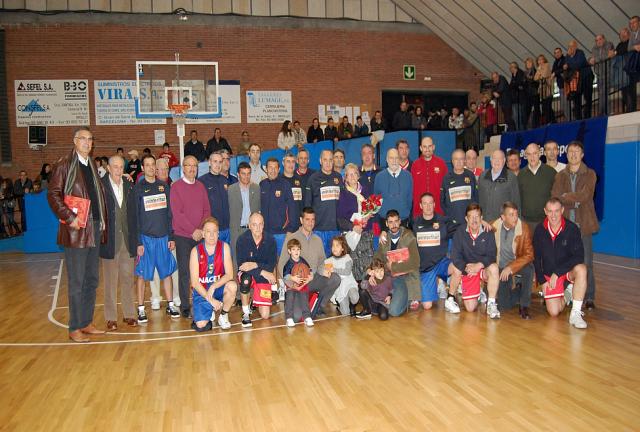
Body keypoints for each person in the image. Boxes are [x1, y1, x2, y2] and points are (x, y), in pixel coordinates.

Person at [47, 127, 108, 342]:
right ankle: (74, 327)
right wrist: (69, 217)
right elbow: (53, 195)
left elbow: (96, 196)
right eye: (83, 139)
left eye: (90, 139)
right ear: (75, 141)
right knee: (77, 281)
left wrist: (101, 221)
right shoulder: (65, 165)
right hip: (76, 231)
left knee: (92, 279)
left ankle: (86, 322)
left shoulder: (91, 165)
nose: (87, 142)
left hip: (94, 228)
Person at [129, 155, 179, 323]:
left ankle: (170, 304)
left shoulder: (164, 186)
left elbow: (169, 214)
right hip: (146, 239)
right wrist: (138, 242)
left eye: (153, 165)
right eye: (148, 165)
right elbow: (135, 218)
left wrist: (171, 236)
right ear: (143, 168)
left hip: (163, 238)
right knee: (142, 276)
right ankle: (141, 309)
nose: (151, 168)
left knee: (167, 273)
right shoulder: (137, 189)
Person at [552, 140, 598, 310]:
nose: (573, 154)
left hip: (584, 226)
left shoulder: (590, 174)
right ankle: (565, 293)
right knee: (564, 260)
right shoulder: (560, 175)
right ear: (566, 154)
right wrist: (574, 200)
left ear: (582, 154)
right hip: (566, 227)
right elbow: (556, 196)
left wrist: (567, 197)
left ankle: (589, 296)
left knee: (586, 263)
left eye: (576, 151)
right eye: (570, 151)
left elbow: (586, 196)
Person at [533, 197, 588, 329]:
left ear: (562, 210)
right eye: (550, 211)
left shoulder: (572, 228)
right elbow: (536, 258)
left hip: (567, 271)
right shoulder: (539, 230)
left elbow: (579, 256)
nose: (553, 215)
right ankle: (569, 293)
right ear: (545, 211)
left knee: (582, 269)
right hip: (549, 274)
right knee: (553, 312)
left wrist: (558, 273)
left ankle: (575, 313)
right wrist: (542, 281)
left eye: (556, 211)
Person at [277, 207, 341, 319]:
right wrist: (291, 283)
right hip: (299, 283)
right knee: (296, 317)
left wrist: (323, 270)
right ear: (301, 220)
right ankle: (293, 299)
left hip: (313, 278)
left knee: (335, 278)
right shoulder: (292, 238)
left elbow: (322, 262)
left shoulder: (317, 240)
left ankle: (319, 305)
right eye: (307, 219)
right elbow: (281, 265)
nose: (310, 223)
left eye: (313, 220)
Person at [169, 155, 211, 318]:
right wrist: (192, 230)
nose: (192, 168)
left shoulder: (201, 187)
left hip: (200, 236)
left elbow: (207, 210)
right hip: (183, 237)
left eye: (195, 166)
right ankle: (185, 306)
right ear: (183, 168)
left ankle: (201, 301)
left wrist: (200, 229)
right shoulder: (176, 187)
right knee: (185, 273)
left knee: (202, 272)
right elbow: (177, 213)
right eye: (189, 165)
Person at [99, 155, 137, 330]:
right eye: (115, 166)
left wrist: (136, 240)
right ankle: (111, 317)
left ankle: (129, 314)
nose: (118, 170)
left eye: (121, 167)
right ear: (108, 168)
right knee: (110, 281)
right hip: (109, 240)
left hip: (127, 240)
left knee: (128, 279)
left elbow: (134, 214)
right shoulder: (101, 186)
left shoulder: (129, 185)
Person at [449, 204, 501, 318]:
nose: (474, 220)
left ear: (481, 218)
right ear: (466, 219)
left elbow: (492, 255)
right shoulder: (460, 232)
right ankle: (478, 290)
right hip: (468, 269)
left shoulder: (488, 232)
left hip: (482, 268)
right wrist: (466, 268)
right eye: (471, 217)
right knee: (470, 308)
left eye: (477, 216)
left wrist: (479, 265)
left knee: (494, 268)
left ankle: (491, 304)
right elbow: (455, 256)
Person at [189, 216, 238, 331]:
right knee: (201, 326)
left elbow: (229, 275)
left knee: (232, 286)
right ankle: (205, 309)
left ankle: (223, 315)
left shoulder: (225, 247)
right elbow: (195, 283)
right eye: (208, 232)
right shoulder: (195, 251)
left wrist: (213, 286)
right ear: (203, 234)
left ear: (218, 233)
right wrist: (210, 299)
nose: (212, 235)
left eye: (214, 231)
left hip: (218, 287)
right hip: (202, 291)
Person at [413, 193, 459, 311]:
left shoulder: (443, 221)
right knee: (427, 306)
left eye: (430, 203)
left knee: (457, 267)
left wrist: (481, 223)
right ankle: (438, 283)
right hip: (426, 268)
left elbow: (462, 228)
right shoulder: (415, 222)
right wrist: (384, 231)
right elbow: (401, 232)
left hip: (441, 263)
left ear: (434, 204)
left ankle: (450, 298)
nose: (428, 206)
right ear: (420, 205)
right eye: (425, 203)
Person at [370, 210, 420, 316]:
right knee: (369, 282)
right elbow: (377, 258)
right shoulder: (384, 238)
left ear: (400, 221)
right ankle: (387, 299)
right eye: (391, 222)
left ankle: (407, 298)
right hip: (388, 277)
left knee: (394, 311)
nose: (394, 225)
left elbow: (415, 262)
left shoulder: (409, 236)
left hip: (404, 277)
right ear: (386, 224)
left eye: (396, 221)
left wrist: (393, 266)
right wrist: (371, 271)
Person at [492, 202, 534, 319]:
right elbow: (477, 224)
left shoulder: (524, 228)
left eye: (516, 214)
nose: (515, 217)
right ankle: (519, 289)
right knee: (504, 305)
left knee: (529, 269)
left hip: (516, 265)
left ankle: (524, 306)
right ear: (503, 217)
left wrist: (510, 267)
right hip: (500, 267)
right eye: (511, 215)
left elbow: (529, 254)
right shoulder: (493, 227)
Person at [236, 212, 278, 323]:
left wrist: (255, 265)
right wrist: (262, 272)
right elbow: (242, 266)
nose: (258, 228)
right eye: (254, 225)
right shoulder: (242, 240)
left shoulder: (271, 240)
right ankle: (245, 312)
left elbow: (271, 266)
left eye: (260, 224)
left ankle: (253, 301)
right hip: (249, 274)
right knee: (245, 279)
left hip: (263, 276)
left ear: (263, 225)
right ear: (249, 225)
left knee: (265, 315)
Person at [149, 157, 179, 309]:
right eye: (161, 169)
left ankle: (176, 295)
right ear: (155, 170)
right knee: (154, 267)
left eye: (167, 169)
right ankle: (155, 296)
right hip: (154, 234)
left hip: (171, 233)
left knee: (174, 266)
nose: (164, 171)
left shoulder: (174, 187)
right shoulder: (149, 187)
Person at [337, 163, 375, 281]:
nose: (352, 177)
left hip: (365, 232)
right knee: (354, 265)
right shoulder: (343, 194)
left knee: (367, 263)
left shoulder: (366, 190)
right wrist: (353, 226)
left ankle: (367, 287)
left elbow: (372, 209)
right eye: (349, 175)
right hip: (351, 234)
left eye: (354, 174)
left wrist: (368, 217)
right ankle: (355, 288)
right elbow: (339, 218)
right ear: (345, 178)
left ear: (358, 176)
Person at [305, 149, 343, 254]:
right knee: (319, 260)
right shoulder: (313, 179)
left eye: (330, 160)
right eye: (325, 160)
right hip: (318, 229)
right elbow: (307, 205)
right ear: (320, 161)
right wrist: (308, 226)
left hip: (336, 228)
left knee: (335, 259)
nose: (328, 163)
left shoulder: (338, 177)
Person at [260, 157, 296, 255]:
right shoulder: (262, 185)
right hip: (265, 233)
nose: (273, 170)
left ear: (279, 169)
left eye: (275, 168)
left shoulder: (285, 184)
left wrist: (290, 229)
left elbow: (292, 207)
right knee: (268, 260)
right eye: (270, 168)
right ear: (266, 169)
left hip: (281, 233)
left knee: (281, 260)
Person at [518, 143, 557, 232]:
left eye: (535, 153)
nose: (532, 157)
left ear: (540, 153)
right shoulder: (521, 174)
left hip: (547, 220)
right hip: (526, 222)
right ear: (525, 156)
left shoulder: (551, 172)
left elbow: (556, 197)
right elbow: (518, 198)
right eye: (529, 154)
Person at [228, 162, 261, 265]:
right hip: (237, 231)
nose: (246, 176)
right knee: (237, 260)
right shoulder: (231, 190)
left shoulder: (256, 188)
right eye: (243, 173)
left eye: (248, 173)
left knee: (254, 259)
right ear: (238, 174)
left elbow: (259, 209)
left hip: (253, 230)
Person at [199, 151, 232, 245]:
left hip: (227, 229)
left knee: (226, 253)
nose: (218, 165)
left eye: (220, 162)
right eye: (215, 161)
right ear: (209, 163)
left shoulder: (225, 180)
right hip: (212, 229)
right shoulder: (202, 181)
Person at [478, 149, 520, 222]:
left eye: (500, 159)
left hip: (502, 222)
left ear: (504, 161)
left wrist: (516, 221)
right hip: (485, 222)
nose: (497, 161)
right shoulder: (482, 176)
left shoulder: (511, 177)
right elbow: (479, 199)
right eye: (494, 158)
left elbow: (516, 201)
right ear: (490, 160)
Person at [374, 148, 413, 227]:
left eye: (396, 158)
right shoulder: (379, 177)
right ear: (387, 159)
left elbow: (409, 199)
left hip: (402, 220)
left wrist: (404, 212)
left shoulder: (408, 176)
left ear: (399, 159)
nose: (394, 161)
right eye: (391, 158)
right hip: (384, 221)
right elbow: (376, 199)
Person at [411, 136, 448, 217]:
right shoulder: (415, 165)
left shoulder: (441, 164)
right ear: (421, 148)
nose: (427, 149)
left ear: (433, 147)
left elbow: (446, 187)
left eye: (429, 146)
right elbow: (412, 189)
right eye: (424, 146)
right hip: (419, 212)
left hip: (438, 210)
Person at [281, 238, 314, 327]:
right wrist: (292, 278)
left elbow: (310, 270)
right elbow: (285, 276)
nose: (296, 251)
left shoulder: (303, 261)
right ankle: (289, 318)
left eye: (298, 249)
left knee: (304, 298)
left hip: (302, 284)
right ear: (289, 251)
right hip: (291, 286)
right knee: (290, 297)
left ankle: (307, 316)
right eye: (293, 249)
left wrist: (310, 277)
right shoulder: (288, 263)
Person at [441, 149, 478, 226]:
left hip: (469, 221)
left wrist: (473, 216)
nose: (458, 162)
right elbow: (442, 201)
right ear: (452, 161)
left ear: (464, 161)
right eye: (456, 159)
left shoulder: (470, 176)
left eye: (461, 159)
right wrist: (449, 215)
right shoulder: (446, 178)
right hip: (452, 223)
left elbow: (476, 198)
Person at [325, 235, 359, 316]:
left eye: (337, 245)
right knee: (345, 313)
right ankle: (340, 305)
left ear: (343, 248)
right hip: (339, 289)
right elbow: (328, 276)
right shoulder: (328, 261)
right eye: (333, 245)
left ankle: (352, 305)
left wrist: (334, 270)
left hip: (349, 284)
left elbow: (347, 272)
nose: (334, 248)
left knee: (355, 298)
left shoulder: (347, 258)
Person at [563, 40, 594, 120]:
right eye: (569, 46)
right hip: (576, 81)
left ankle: (587, 116)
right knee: (576, 99)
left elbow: (578, 64)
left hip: (586, 78)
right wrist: (568, 63)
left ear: (576, 46)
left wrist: (569, 63)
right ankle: (578, 118)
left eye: (572, 46)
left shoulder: (580, 53)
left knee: (588, 98)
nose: (571, 48)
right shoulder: (567, 56)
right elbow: (566, 67)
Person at [589, 34, 615, 116]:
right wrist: (591, 60)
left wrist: (596, 59)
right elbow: (592, 59)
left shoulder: (609, 45)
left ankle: (606, 112)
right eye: (596, 40)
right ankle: (603, 112)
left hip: (607, 73)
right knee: (601, 94)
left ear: (604, 39)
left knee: (605, 93)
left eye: (600, 39)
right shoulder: (594, 48)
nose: (598, 41)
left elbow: (606, 56)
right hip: (599, 74)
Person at [535, 54, 554, 124]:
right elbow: (535, 78)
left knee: (548, 107)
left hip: (548, 90)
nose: (540, 61)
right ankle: (552, 121)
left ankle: (550, 121)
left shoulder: (547, 65)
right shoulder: (539, 68)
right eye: (538, 60)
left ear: (544, 60)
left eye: (541, 59)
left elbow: (544, 75)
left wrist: (539, 72)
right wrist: (539, 73)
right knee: (545, 107)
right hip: (542, 91)